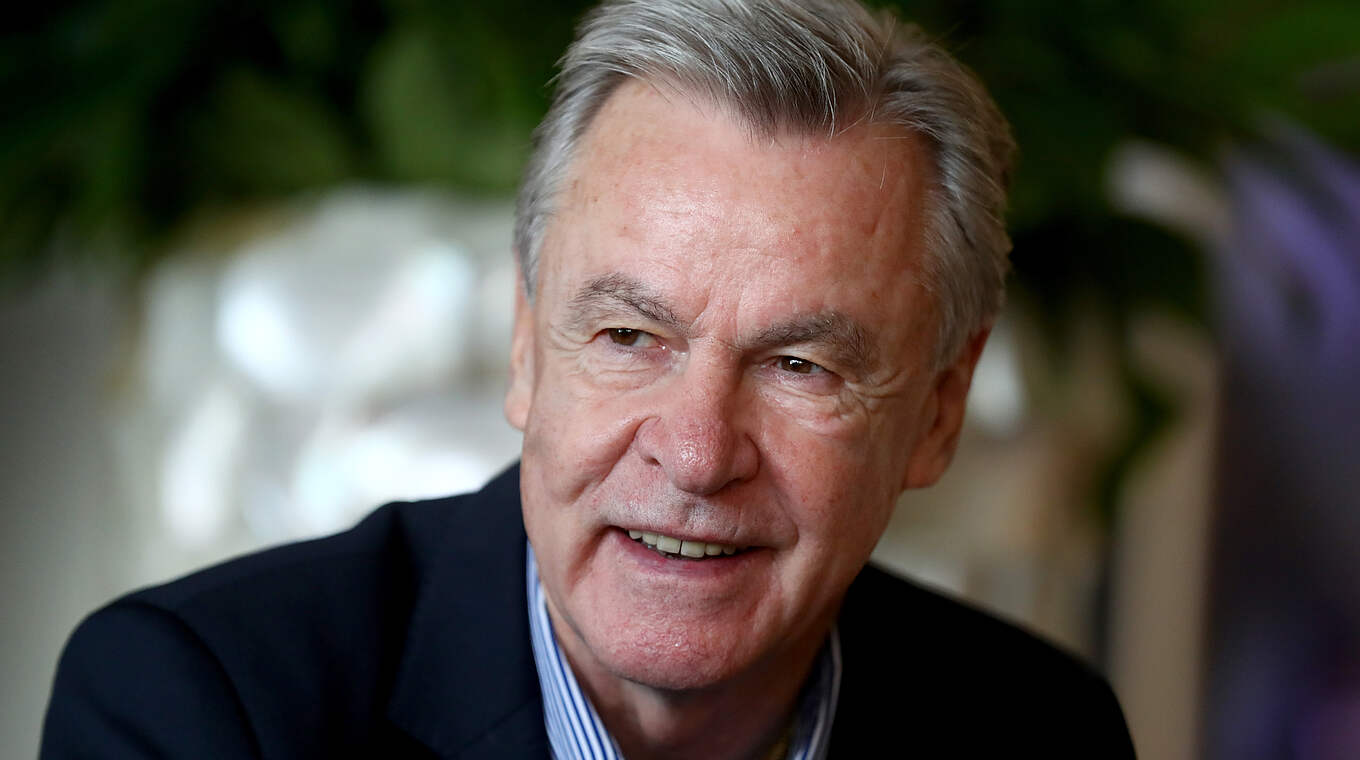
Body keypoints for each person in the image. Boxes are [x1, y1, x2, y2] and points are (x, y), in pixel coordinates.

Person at [41, 0, 1136, 757]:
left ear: (939, 410)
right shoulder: (205, 711)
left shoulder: (1042, 731)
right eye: (627, 336)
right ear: (527, 347)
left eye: (800, 364)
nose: (696, 453)